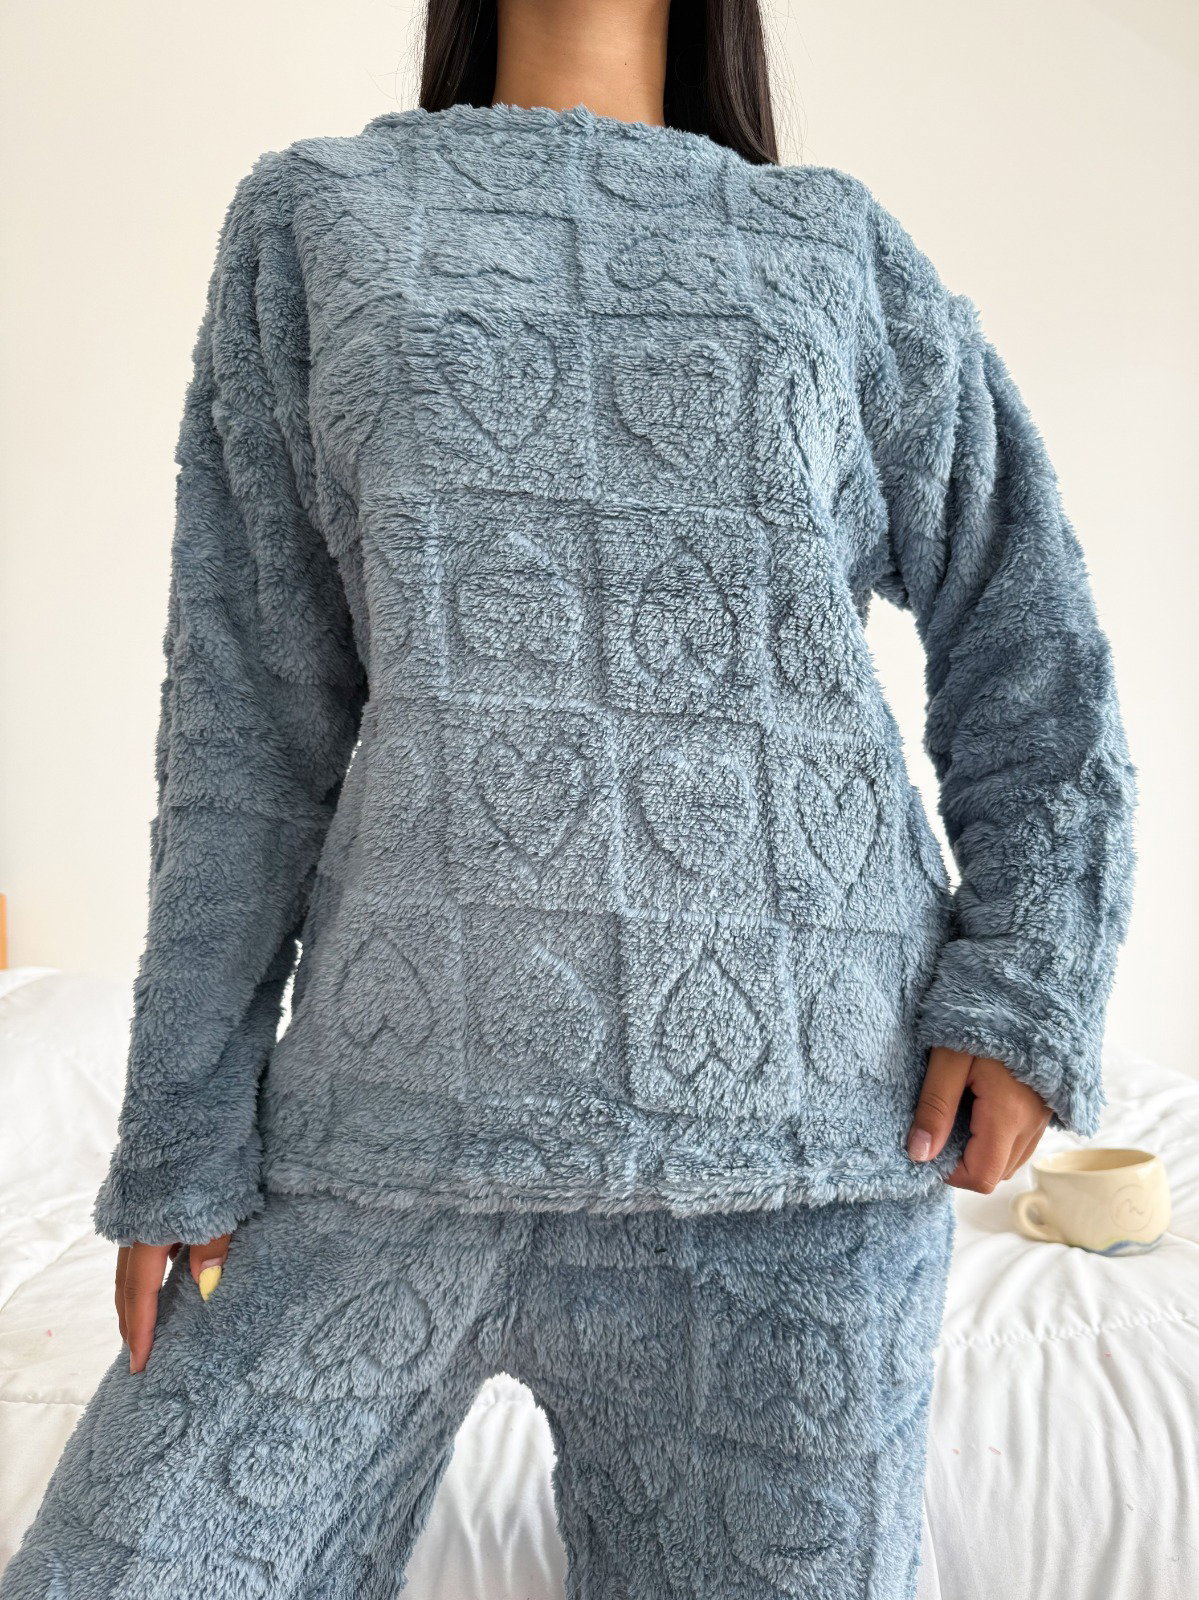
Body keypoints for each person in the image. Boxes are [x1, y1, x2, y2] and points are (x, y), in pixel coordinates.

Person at [1, 0, 1136, 1595]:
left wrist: (1023, 987)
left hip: (802, 1152)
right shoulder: (320, 217)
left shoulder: (830, 245)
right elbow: (248, 715)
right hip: (389, 1131)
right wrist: (182, 1127)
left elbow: (1032, 636)